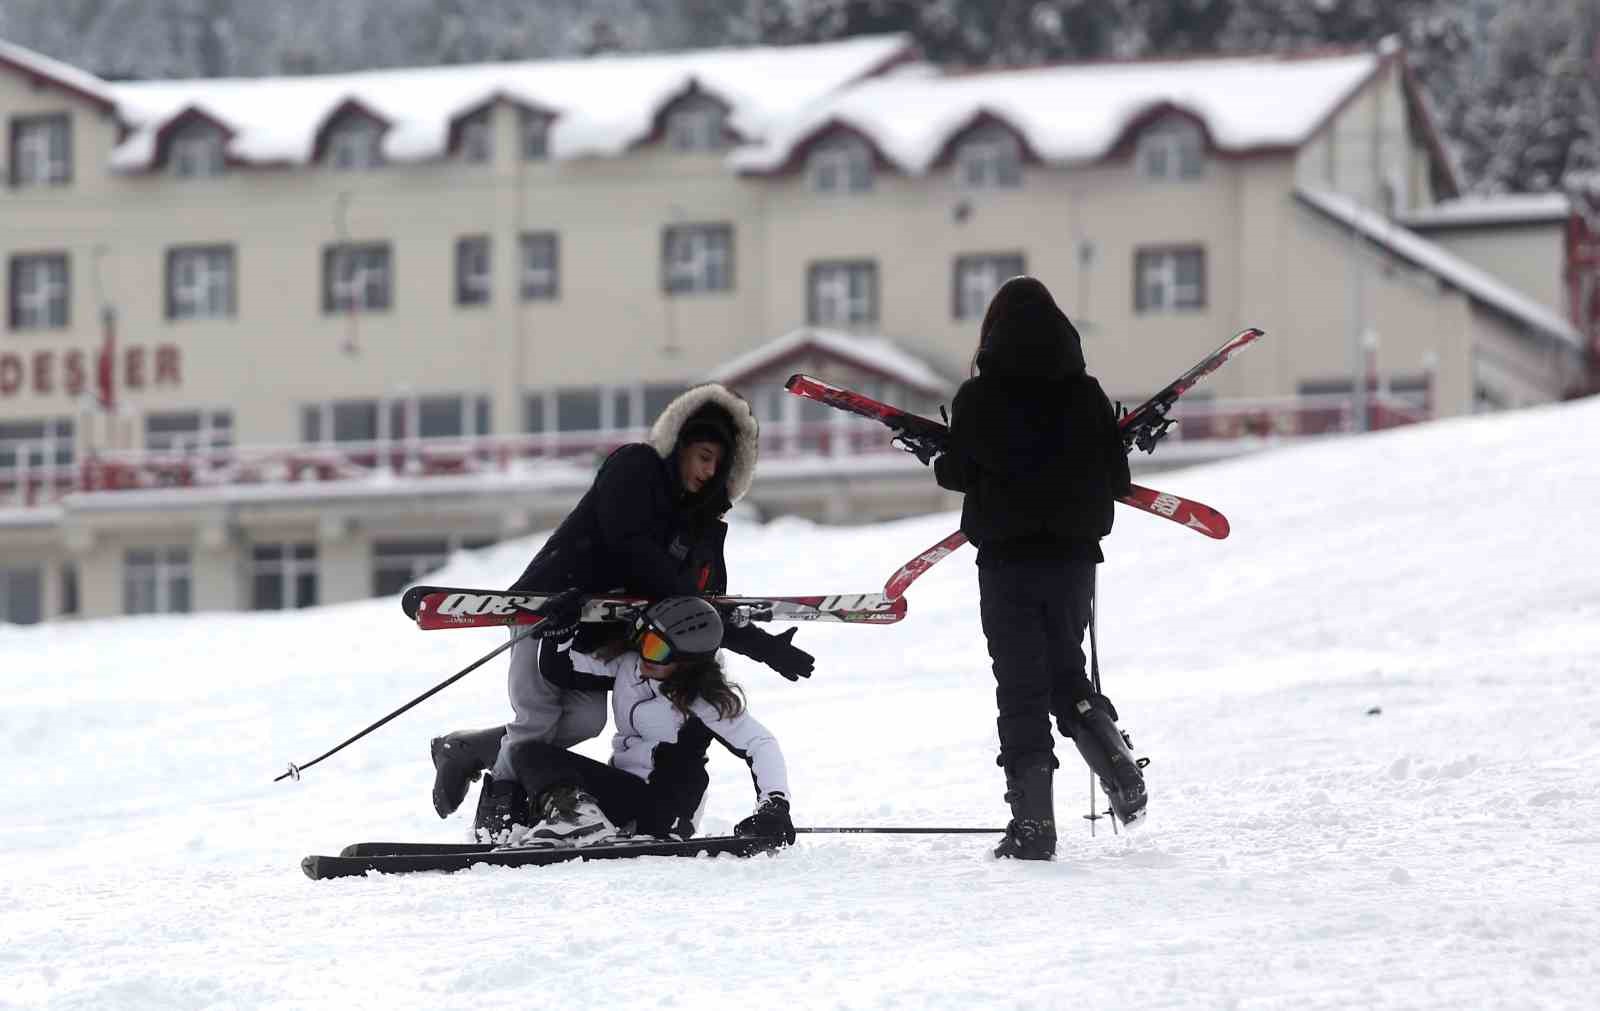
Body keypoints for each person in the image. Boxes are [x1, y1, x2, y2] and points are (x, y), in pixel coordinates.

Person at [428, 383, 814, 841]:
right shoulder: (636, 467)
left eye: (719, 464)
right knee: (534, 727)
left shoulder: (699, 528)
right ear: (680, 445)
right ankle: (498, 819)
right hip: (549, 608)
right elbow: (631, 549)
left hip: (605, 633)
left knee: (585, 722)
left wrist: (759, 644)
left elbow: (697, 615)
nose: (709, 472)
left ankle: (472, 750)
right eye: (703, 456)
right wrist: (567, 615)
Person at [931, 275, 1147, 861]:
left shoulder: (979, 398)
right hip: (1074, 562)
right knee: (1064, 677)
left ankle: (1033, 826)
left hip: (1007, 563)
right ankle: (1118, 763)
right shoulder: (1087, 393)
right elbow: (1117, 480)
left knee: (1021, 689)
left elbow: (957, 474)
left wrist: (943, 451)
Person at [505, 595, 795, 847]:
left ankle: (578, 821)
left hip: (668, 809)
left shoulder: (703, 700)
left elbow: (760, 744)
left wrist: (775, 807)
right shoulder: (630, 666)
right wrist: (562, 632)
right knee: (528, 753)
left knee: (534, 757)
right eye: (645, 640)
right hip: (626, 793)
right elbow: (561, 669)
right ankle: (544, 822)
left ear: (687, 662)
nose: (645, 654)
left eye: (656, 649)